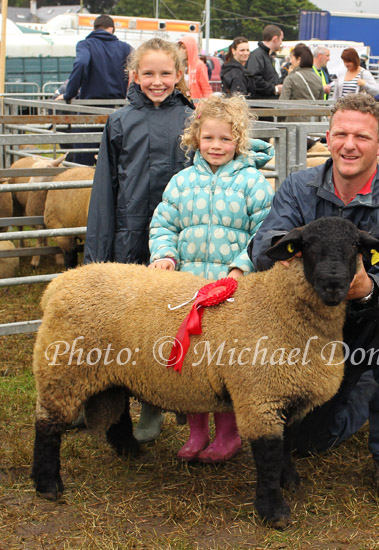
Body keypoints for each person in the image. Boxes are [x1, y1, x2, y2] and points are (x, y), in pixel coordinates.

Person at [249, 93, 379, 501]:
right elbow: (264, 246)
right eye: (341, 133)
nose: (349, 144)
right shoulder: (297, 189)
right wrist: (286, 257)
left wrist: (367, 288)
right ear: (327, 138)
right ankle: (358, 391)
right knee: (306, 442)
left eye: (362, 136)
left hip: (368, 323)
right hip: (308, 323)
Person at [148, 94, 274, 462]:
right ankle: (196, 431)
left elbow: (263, 232)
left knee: (228, 364)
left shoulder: (253, 183)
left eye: (225, 139)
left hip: (234, 290)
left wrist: (240, 268)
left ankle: (229, 434)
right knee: (191, 363)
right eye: (208, 138)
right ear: (195, 139)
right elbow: (164, 223)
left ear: (239, 141)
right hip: (189, 288)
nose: (216, 146)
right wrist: (165, 255)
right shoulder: (182, 182)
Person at [83, 38, 195, 443]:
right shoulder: (120, 121)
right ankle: (109, 403)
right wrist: (98, 254)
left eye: (166, 73)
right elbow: (105, 190)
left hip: (174, 238)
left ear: (180, 75)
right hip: (129, 234)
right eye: (148, 73)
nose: (157, 81)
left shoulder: (192, 120)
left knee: (165, 319)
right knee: (124, 323)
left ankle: (156, 403)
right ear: (135, 75)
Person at [57, 15, 132, 166]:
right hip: (117, 111)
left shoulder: (86, 45)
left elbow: (82, 62)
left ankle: (82, 186)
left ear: (94, 28)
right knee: (115, 157)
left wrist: (68, 94)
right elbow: (135, 71)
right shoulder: (125, 48)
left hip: (89, 109)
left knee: (84, 156)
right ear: (112, 29)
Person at [279, 43, 324, 120]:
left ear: (299, 59)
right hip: (314, 123)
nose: (290, 61)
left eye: (291, 58)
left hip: (294, 123)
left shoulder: (291, 78)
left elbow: (281, 104)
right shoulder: (318, 78)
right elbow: (321, 103)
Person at [246, 24, 284, 99]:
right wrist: (274, 89)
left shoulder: (267, 56)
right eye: (281, 39)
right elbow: (254, 80)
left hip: (267, 104)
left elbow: (270, 79)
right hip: (260, 106)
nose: (281, 43)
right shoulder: (257, 55)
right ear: (275, 39)